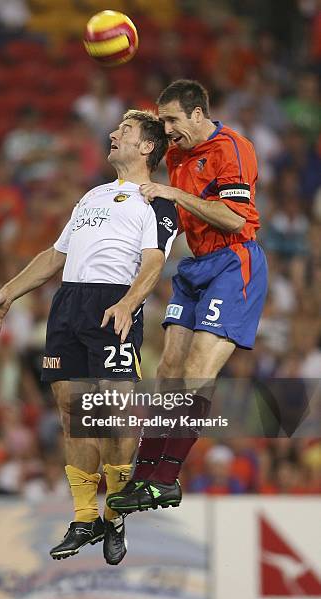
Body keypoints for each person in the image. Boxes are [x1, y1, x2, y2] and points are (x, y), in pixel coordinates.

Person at [0, 110, 177, 565]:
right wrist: (7, 293)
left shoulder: (157, 201)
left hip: (113, 304)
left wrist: (128, 303)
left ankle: (116, 513)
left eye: (124, 130)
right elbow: (55, 254)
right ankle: (85, 516)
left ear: (147, 146)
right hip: (68, 304)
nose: (113, 134)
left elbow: (153, 261)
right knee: (73, 412)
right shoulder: (91, 195)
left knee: (113, 410)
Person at [107, 79, 268, 514]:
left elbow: (235, 219)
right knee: (168, 370)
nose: (168, 129)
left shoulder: (233, 148)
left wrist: (175, 193)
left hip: (234, 263)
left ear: (198, 114)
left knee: (197, 368)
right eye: (163, 121)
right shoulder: (176, 152)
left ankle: (165, 479)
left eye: (173, 120)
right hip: (195, 268)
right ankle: (145, 476)